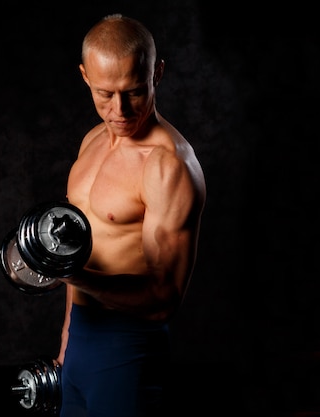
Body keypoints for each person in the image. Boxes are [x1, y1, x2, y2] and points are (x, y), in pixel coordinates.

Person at [55, 14, 207, 417]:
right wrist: (67, 339)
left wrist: (72, 274)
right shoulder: (91, 142)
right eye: (105, 94)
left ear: (157, 72)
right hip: (80, 345)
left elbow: (163, 301)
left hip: (128, 347)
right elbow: (82, 249)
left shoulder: (168, 165)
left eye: (135, 91)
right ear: (85, 76)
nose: (119, 110)